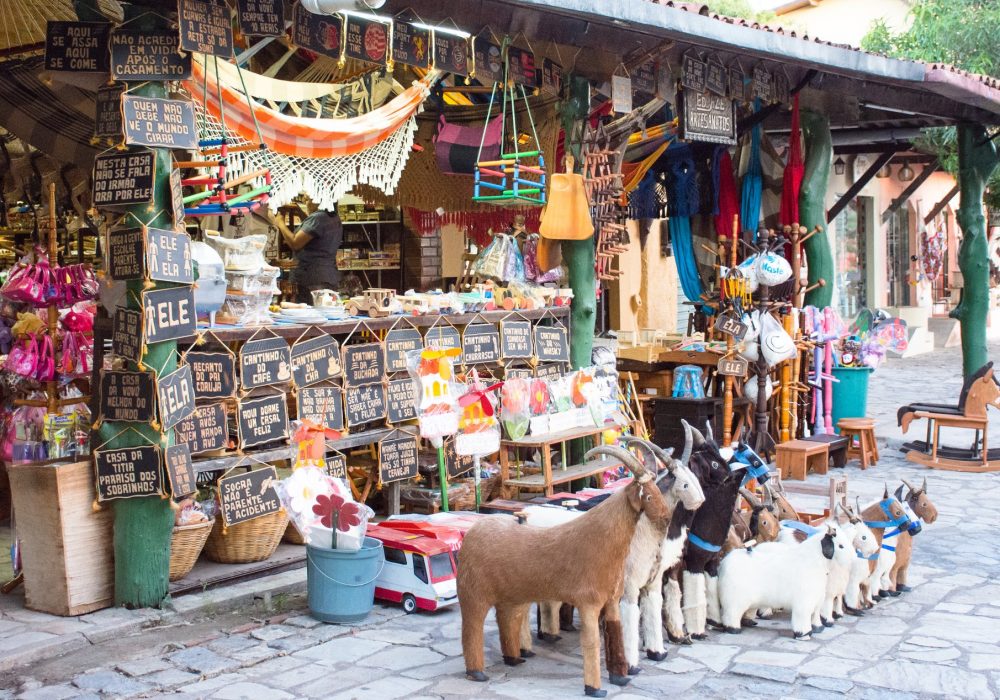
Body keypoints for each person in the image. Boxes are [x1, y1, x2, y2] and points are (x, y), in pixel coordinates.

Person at [269, 205, 343, 303]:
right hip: (327, 275)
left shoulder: (318, 218)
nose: (307, 201)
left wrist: (280, 223)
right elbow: (313, 231)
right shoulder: (332, 217)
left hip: (311, 278)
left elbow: (295, 243)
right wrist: (300, 212)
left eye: (309, 198)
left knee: (309, 312)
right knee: (323, 311)